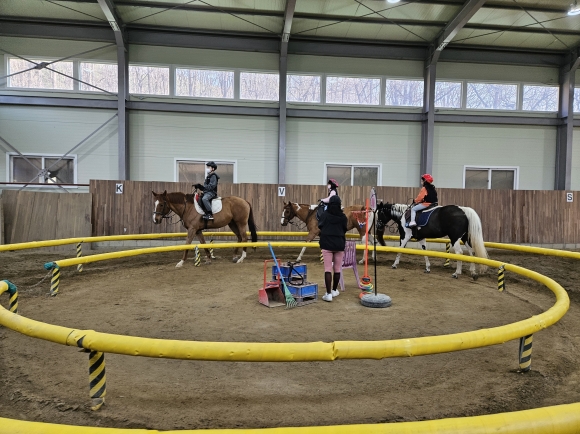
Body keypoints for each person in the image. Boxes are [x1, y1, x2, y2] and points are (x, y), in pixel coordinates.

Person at [318, 195, 348, 302]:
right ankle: (335, 290)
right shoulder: (343, 217)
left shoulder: (325, 215)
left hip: (326, 244)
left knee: (327, 269)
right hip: (339, 244)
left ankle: (328, 293)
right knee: (337, 269)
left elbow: (320, 226)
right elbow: (344, 229)